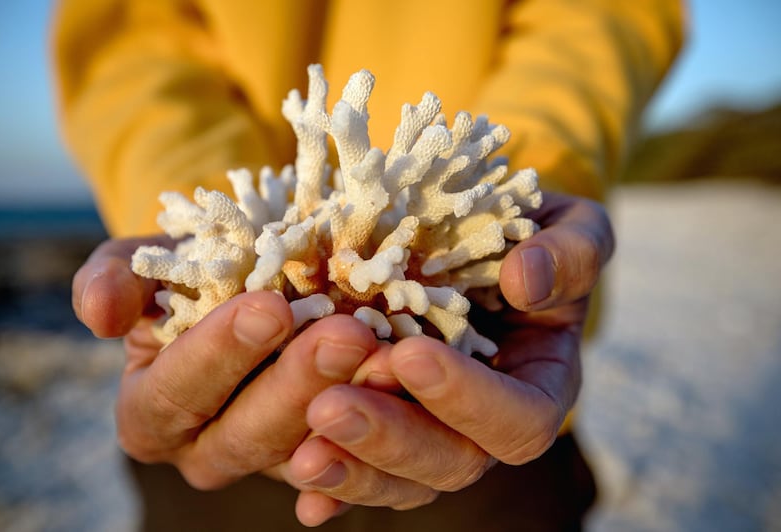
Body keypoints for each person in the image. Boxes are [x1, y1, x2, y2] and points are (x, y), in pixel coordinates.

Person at [54, 1, 685, 529]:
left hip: (492, 405)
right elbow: (132, 37)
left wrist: (521, 185)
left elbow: (594, 17)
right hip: (222, 428)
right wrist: (214, 235)